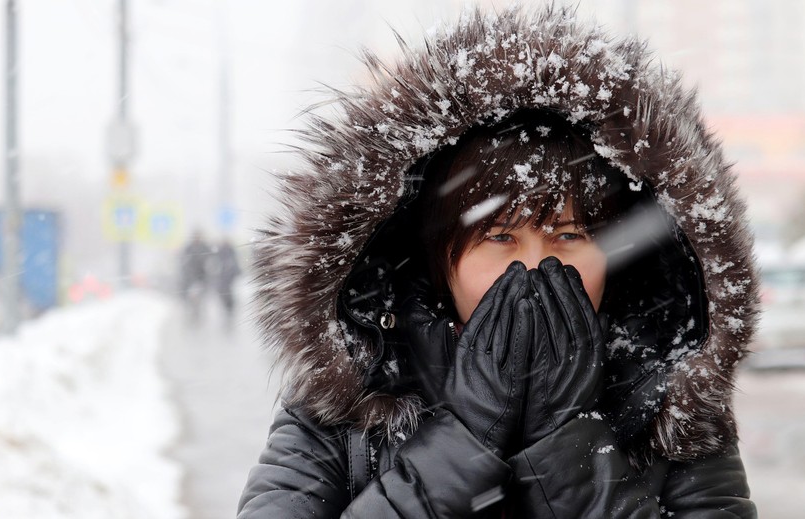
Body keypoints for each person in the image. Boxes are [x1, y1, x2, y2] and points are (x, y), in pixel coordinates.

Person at [239, 5, 758, 518]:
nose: (535, 268)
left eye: (569, 235)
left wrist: (569, 448)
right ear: (440, 259)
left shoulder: (670, 402)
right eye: (501, 237)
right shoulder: (354, 393)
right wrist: (461, 442)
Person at [179, 231, 211, 322]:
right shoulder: (189, 248)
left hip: (202, 279)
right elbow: (184, 263)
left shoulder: (205, 248)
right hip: (190, 279)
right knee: (192, 299)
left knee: (200, 299)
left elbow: (210, 262)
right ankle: (193, 314)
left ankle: (198, 315)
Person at [208, 238, 242, 324]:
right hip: (223, 280)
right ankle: (228, 313)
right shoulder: (220, 252)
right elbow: (214, 266)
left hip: (227, 280)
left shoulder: (230, 251)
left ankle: (229, 312)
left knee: (228, 298)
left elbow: (235, 264)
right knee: (225, 298)